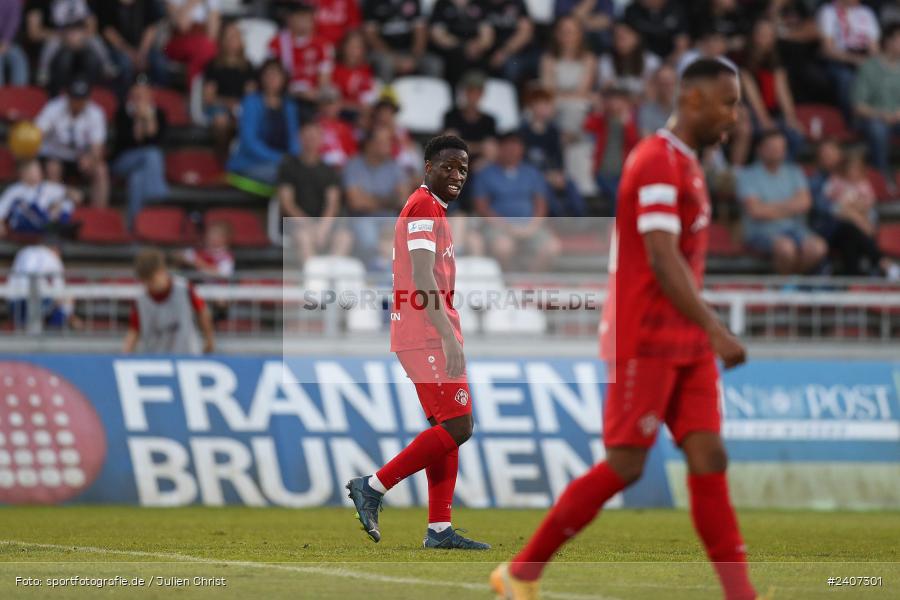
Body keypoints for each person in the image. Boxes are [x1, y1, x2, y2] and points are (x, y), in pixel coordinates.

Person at [491, 58, 762, 600]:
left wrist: (701, 332)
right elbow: (662, 257)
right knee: (625, 466)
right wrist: (715, 328)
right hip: (645, 340)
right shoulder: (658, 162)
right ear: (692, 101)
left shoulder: (686, 164)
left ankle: (741, 595)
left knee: (710, 455)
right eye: (728, 102)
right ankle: (520, 572)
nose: (735, 115)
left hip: (684, 340)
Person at [346, 134, 491, 551]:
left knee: (447, 427)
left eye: (462, 169)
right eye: (447, 166)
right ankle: (372, 486)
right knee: (460, 426)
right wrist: (447, 336)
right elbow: (423, 277)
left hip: (423, 331)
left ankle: (440, 530)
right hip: (426, 332)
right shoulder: (425, 205)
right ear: (428, 168)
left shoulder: (431, 209)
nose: (456, 175)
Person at [737, 129, 827, 274]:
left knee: (818, 247)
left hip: (796, 229)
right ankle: (785, 287)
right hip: (762, 232)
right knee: (786, 249)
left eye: (780, 148)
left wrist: (770, 209)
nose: (777, 152)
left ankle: (792, 284)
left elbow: (805, 203)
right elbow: (755, 211)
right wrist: (790, 207)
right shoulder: (748, 175)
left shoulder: (795, 172)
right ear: (760, 150)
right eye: (772, 148)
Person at [472, 131, 561, 271]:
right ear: (500, 149)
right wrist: (506, 226)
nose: (512, 151)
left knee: (552, 247)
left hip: (529, 225)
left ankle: (531, 281)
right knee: (503, 247)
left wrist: (533, 225)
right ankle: (507, 282)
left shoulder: (532, 173)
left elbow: (540, 203)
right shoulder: (485, 174)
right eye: (508, 147)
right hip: (498, 227)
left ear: (522, 149)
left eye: (516, 147)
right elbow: (482, 207)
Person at [276, 121, 352, 261]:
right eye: (307, 137)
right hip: (296, 224)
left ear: (321, 140)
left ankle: (332, 276)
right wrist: (310, 225)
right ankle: (312, 280)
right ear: (299, 138)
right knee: (305, 238)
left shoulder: (329, 171)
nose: (311, 141)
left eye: (314, 137)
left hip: (324, 224)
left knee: (344, 238)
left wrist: (322, 228)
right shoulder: (288, 168)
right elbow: (287, 204)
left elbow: (332, 204)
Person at [819, 149, 899, 278]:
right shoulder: (835, 183)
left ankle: (853, 278)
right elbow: (835, 210)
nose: (852, 172)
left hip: (854, 234)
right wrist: (858, 218)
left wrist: (852, 210)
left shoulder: (864, 186)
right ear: (844, 169)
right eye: (850, 168)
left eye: (856, 169)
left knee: (850, 238)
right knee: (849, 229)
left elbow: (866, 208)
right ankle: (883, 262)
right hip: (835, 231)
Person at [540, 16, 597, 195]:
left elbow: (583, 90)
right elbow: (548, 92)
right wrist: (565, 95)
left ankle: (575, 181)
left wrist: (562, 94)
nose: (567, 35)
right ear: (556, 34)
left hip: (576, 108)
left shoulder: (589, 59)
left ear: (579, 35)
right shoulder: (548, 59)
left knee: (577, 108)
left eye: (571, 31)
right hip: (555, 108)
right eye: (563, 31)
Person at [123, 248, 215, 355]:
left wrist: (209, 340)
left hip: (186, 355)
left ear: (162, 271)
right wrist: (125, 354)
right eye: (145, 282)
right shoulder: (141, 300)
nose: (149, 286)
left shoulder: (184, 288)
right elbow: (133, 331)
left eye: (152, 281)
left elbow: (202, 312)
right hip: (156, 360)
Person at [35, 79, 109, 208]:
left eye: (82, 99)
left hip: (80, 158)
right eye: (75, 98)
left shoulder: (96, 112)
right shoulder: (54, 108)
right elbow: (37, 133)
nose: (78, 103)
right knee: (53, 167)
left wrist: (91, 158)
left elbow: (97, 146)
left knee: (101, 170)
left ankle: (99, 214)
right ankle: (56, 213)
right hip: (55, 155)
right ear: (67, 96)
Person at [737, 18, 805, 157]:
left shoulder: (776, 61)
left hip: (774, 113)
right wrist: (765, 120)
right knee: (767, 136)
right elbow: (752, 96)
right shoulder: (744, 61)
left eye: (769, 35)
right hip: (752, 114)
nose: (765, 39)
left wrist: (791, 117)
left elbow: (783, 93)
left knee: (796, 135)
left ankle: (783, 170)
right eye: (761, 34)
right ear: (754, 36)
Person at [226, 59, 300, 186]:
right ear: (261, 78)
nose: (272, 78)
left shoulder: (289, 106)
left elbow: (294, 139)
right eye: (268, 75)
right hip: (252, 163)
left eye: (276, 75)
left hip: (284, 163)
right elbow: (249, 142)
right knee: (290, 176)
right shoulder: (250, 102)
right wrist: (279, 158)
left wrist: (294, 158)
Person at [343, 126, 411, 262]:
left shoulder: (394, 167)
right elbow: (356, 203)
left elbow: (404, 201)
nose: (388, 145)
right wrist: (388, 201)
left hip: (389, 219)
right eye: (383, 142)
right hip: (362, 218)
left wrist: (370, 199)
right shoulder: (354, 165)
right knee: (369, 239)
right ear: (369, 144)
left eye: (389, 141)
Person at [519, 87, 585, 217]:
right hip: (532, 177)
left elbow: (558, 157)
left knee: (575, 195)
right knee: (551, 200)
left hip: (553, 174)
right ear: (532, 106)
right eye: (541, 104)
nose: (544, 109)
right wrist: (545, 176)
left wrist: (558, 174)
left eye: (547, 105)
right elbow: (522, 162)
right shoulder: (522, 132)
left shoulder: (553, 131)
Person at [112, 77, 169, 227]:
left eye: (143, 95)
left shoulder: (159, 114)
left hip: (144, 166)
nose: (139, 99)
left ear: (150, 95)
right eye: (136, 95)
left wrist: (149, 118)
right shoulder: (123, 113)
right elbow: (131, 141)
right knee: (152, 154)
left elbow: (156, 140)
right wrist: (138, 118)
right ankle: (157, 193)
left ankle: (133, 225)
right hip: (123, 161)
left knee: (136, 179)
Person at [854, 24, 900, 195]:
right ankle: (882, 177)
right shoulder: (869, 67)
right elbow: (858, 106)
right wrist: (882, 114)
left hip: (897, 118)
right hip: (874, 118)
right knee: (877, 129)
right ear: (887, 41)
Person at [817, 0, 881, 121]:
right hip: (839, 59)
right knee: (846, 79)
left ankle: (879, 117)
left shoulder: (866, 12)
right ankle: (851, 121)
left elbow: (875, 49)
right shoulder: (828, 12)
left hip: (863, 57)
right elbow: (827, 49)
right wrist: (856, 60)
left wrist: (875, 64)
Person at [268, 0, 334, 115]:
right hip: (284, 95)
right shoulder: (277, 43)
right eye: (300, 16)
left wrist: (314, 93)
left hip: (313, 97)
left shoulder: (323, 45)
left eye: (308, 17)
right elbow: (271, 75)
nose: (304, 21)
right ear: (290, 19)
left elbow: (324, 80)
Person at [202, 20, 256, 156]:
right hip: (219, 106)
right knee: (221, 120)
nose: (232, 41)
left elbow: (251, 94)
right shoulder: (214, 65)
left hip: (241, 107)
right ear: (222, 41)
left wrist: (238, 106)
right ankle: (222, 153)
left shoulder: (248, 67)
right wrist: (228, 104)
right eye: (228, 37)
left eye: (235, 36)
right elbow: (209, 97)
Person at [584, 87, 640, 211]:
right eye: (612, 101)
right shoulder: (602, 120)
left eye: (619, 101)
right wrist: (597, 110)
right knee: (618, 196)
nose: (615, 104)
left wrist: (627, 123)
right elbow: (587, 127)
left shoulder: (632, 121)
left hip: (624, 173)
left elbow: (634, 143)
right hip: (603, 172)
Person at [7, 238, 77, 330]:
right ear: (55, 249)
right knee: (67, 301)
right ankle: (50, 336)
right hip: (36, 302)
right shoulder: (52, 256)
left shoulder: (23, 251)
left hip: (15, 303)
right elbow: (60, 291)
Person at [95, 0, 164, 94]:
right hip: (117, 49)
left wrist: (142, 53)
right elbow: (108, 31)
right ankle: (126, 98)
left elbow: (151, 27)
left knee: (160, 63)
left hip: (144, 48)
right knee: (125, 64)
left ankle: (156, 97)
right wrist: (129, 52)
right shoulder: (107, 3)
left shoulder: (146, 2)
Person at [0, 159, 79, 237]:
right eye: (32, 170)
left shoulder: (49, 186)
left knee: (60, 207)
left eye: (37, 169)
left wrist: (60, 200)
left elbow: (77, 196)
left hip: (46, 230)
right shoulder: (14, 190)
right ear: (23, 173)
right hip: (21, 229)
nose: (37, 172)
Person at [362, 0, 436, 82]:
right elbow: (371, 37)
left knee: (434, 64)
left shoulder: (414, 1)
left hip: (409, 51)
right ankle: (388, 94)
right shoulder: (372, 2)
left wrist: (414, 57)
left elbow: (420, 32)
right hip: (383, 52)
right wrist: (394, 58)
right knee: (386, 64)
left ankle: (427, 94)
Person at [428, 0, 494, 90]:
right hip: (451, 51)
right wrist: (463, 46)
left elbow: (487, 37)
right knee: (457, 58)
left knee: (486, 59)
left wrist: (478, 46)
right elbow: (438, 35)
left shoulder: (480, 3)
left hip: (475, 51)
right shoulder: (442, 4)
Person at [442, 70, 497, 167]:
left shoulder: (489, 120)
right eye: (470, 91)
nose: (474, 96)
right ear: (465, 92)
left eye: (477, 92)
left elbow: (491, 150)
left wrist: (464, 145)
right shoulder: (451, 116)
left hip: (479, 166)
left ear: (482, 94)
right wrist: (480, 147)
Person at [597, 21, 660, 99]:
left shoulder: (651, 61)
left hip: (643, 104)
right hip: (615, 104)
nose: (621, 40)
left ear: (637, 37)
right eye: (617, 36)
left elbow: (652, 92)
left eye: (625, 36)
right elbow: (605, 88)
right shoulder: (606, 60)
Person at [162, 0, 219, 82]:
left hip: (202, 41)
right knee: (205, 49)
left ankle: (194, 88)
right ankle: (195, 89)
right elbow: (182, 26)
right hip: (179, 40)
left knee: (209, 49)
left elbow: (213, 34)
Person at [482, 0, 536, 83]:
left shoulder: (517, 3)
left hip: (516, 52)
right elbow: (484, 36)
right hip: (490, 51)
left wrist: (504, 52)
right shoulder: (482, 4)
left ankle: (510, 94)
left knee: (511, 66)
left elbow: (525, 33)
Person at [623, 0, 690, 62]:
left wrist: (668, 63)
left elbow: (682, 42)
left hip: (671, 57)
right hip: (643, 58)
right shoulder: (632, 10)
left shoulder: (676, 8)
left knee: (688, 58)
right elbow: (627, 39)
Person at [638, 63, 677, 137]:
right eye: (664, 84)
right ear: (656, 85)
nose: (669, 88)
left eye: (671, 83)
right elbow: (646, 138)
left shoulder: (684, 109)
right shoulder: (646, 110)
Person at [0, 0, 29, 86]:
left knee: (19, 60)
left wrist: (5, 42)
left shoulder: (13, 2)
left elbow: (13, 22)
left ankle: (19, 94)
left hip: (8, 43)